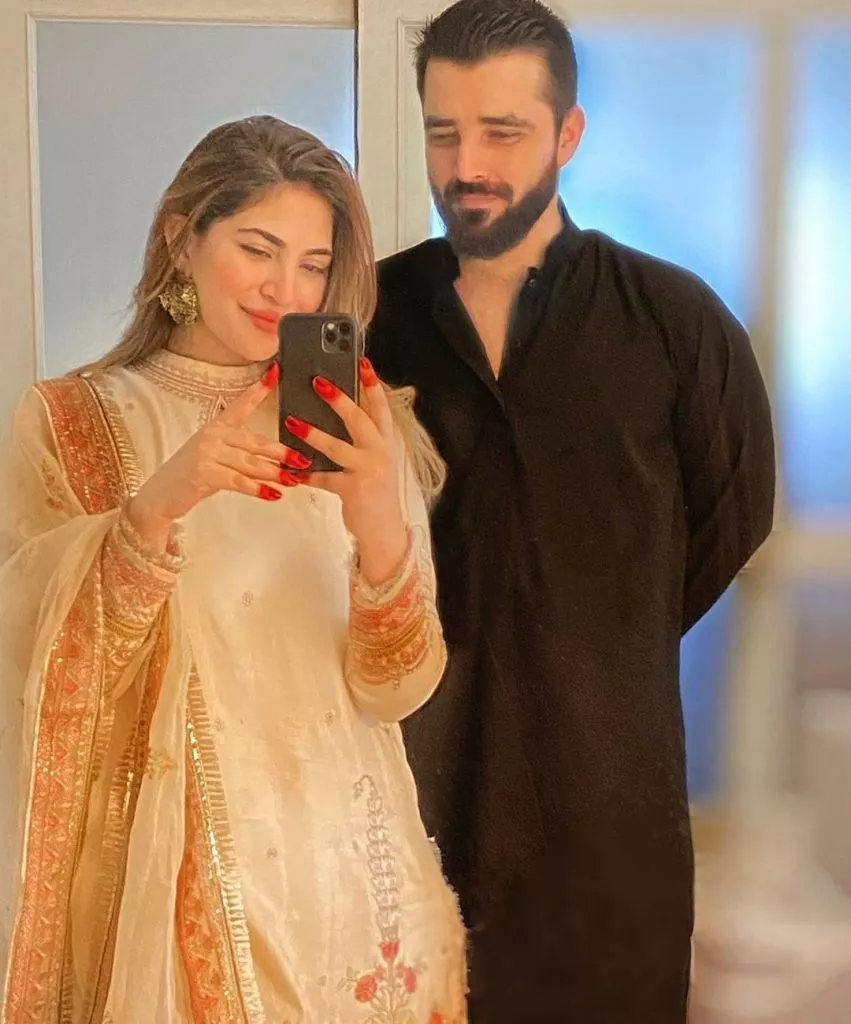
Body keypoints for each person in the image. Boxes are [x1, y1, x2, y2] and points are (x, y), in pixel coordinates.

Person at [0, 115, 467, 1023]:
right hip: (183, 894)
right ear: (183, 235)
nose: (284, 289)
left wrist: (376, 515)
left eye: (313, 264)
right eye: (258, 249)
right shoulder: (71, 422)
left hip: (359, 893)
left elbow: (397, 686)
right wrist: (158, 504)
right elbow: (37, 665)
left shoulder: (363, 426)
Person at [366, 1, 776, 1020]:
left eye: (501, 132)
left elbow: (734, 514)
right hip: (406, 800)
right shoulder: (369, 319)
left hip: (610, 809)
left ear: (567, 133)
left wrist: (604, 634)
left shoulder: (673, 321)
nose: (467, 164)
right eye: (443, 131)